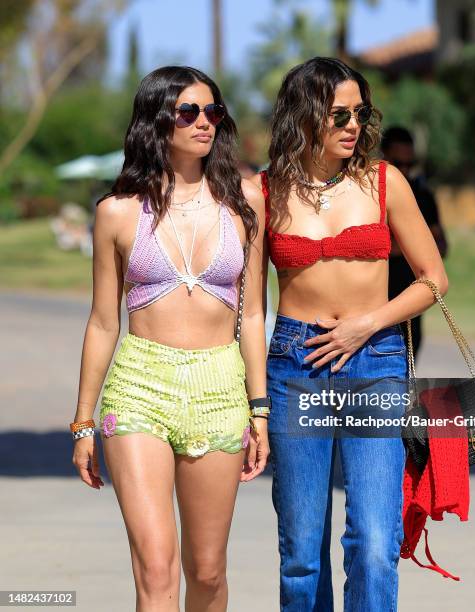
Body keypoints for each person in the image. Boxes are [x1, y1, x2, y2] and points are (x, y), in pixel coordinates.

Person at [252, 57, 449, 612]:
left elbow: (435, 279)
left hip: (376, 361)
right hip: (296, 367)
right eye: (339, 114)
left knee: (374, 541)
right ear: (305, 115)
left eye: (359, 113)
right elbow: (248, 311)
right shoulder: (263, 191)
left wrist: (370, 321)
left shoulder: (385, 182)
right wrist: (256, 404)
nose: (352, 125)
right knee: (301, 553)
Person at [70, 66, 269, 612]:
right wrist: (83, 421)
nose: (204, 122)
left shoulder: (247, 202)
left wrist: (260, 409)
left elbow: (252, 316)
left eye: (213, 111)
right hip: (139, 387)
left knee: (206, 572)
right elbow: (102, 322)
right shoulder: (116, 212)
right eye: (189, 112)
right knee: (157, 570)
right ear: (157, 121)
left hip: (220, 386)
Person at [381, 126, 448, 357]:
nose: (405, 171)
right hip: (376, 299)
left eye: (410, 165)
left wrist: (402, 244)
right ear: (384, 157)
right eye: (399, 163)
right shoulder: (369, 192)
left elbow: (441, 247)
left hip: (411, 302)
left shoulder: (424, 196)